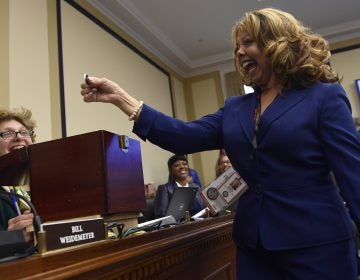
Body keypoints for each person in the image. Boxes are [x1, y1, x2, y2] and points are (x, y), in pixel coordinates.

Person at [80, 7, 360, 279]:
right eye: (237, 46)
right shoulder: (236, 108)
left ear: (276, 43)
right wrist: (122, 99)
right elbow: (183, 135)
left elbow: (354, 176)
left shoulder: (324, 97)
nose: (239, 52)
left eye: (248, 42)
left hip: (318, 243)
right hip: (254, 247)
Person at [0, 108, 35, 243]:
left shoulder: (49, 185)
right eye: (8, 133)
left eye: (24, 132)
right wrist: (10, 240)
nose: (19, 137)